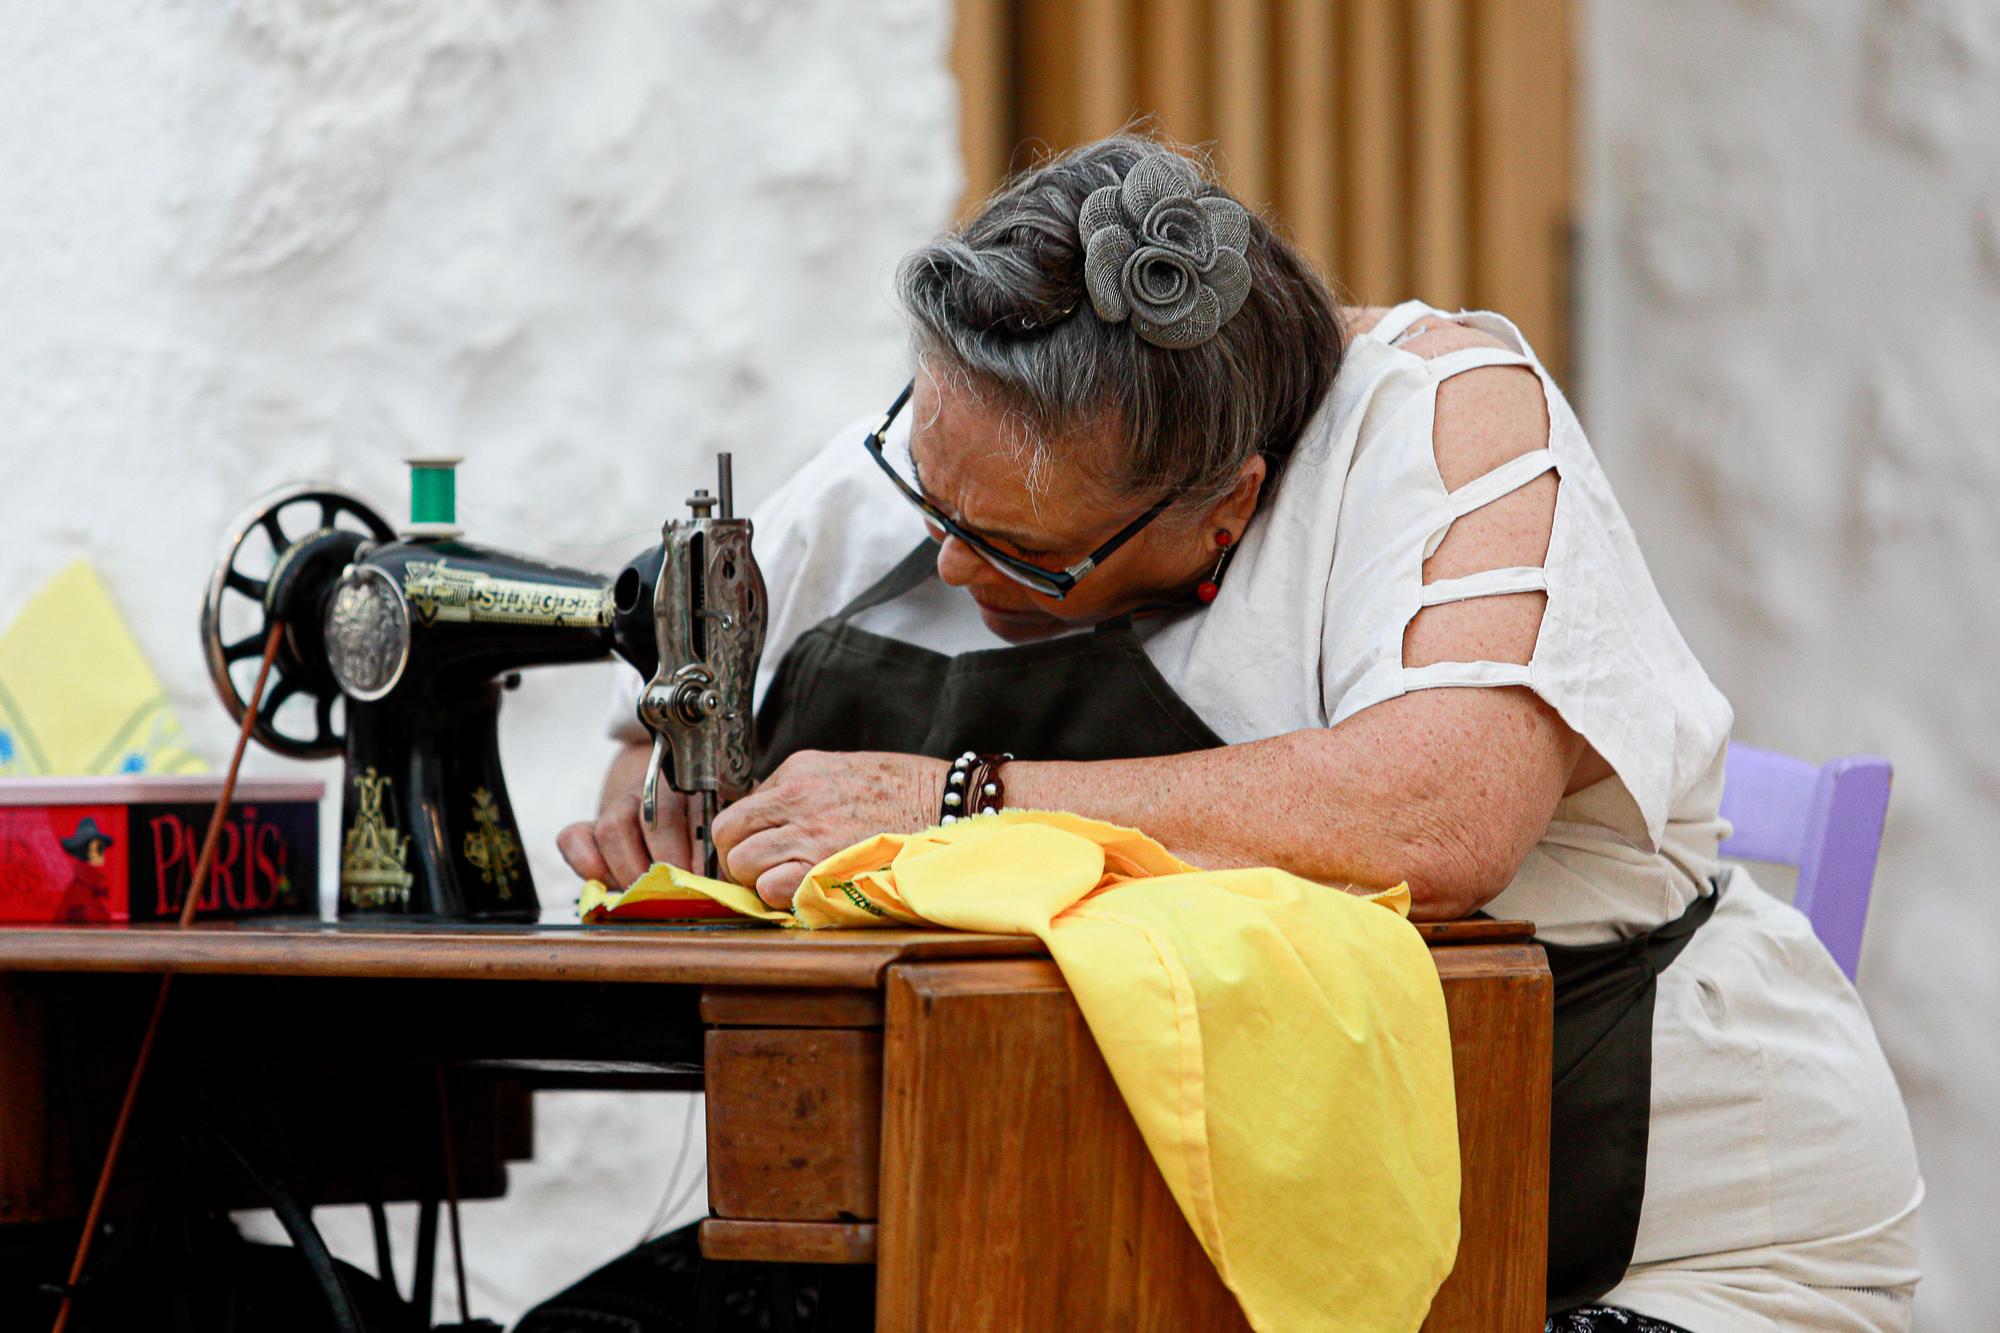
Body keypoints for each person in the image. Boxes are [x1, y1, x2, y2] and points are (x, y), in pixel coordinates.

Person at [550, 136, 1921, 1332]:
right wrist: (660, 796)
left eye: (1015, 554)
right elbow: (675, 706)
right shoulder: (957, 445)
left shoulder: (1445, 420)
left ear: (1224, 510)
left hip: (1650, 1232)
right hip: (1156, 1221)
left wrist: (962, 798)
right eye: (931, 495)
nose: (947, 562)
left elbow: (1443, 814)